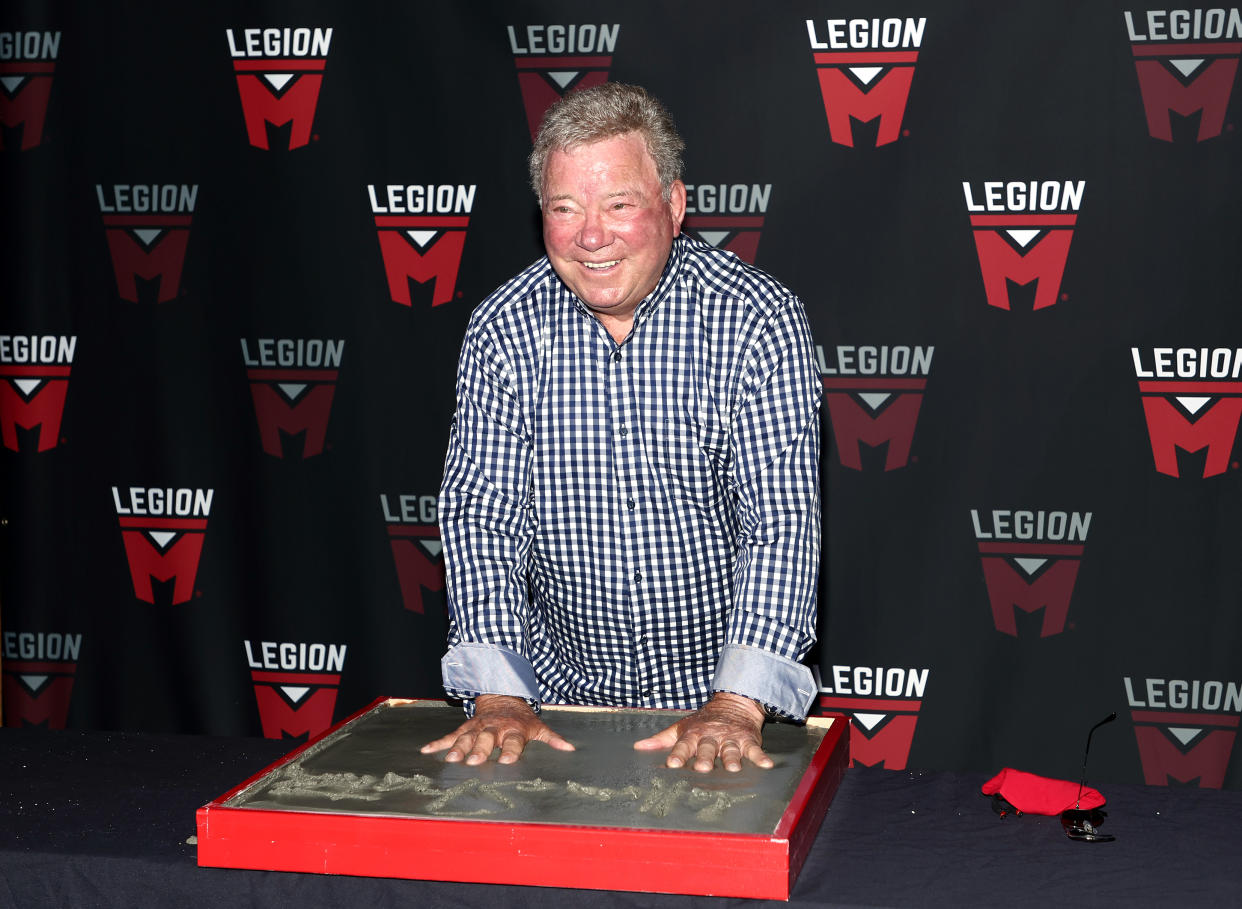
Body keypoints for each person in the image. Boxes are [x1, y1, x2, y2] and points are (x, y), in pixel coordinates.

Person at [421, 83, 822, 773]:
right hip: (554, 712)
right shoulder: (503, 330)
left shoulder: (758, 323)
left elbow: (779, 523)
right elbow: (482, 518)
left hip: (727, 712)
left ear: (672, 204)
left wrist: (735, 703)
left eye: (619, 204)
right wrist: (499, 694)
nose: (591, 235)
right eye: (564, 208)